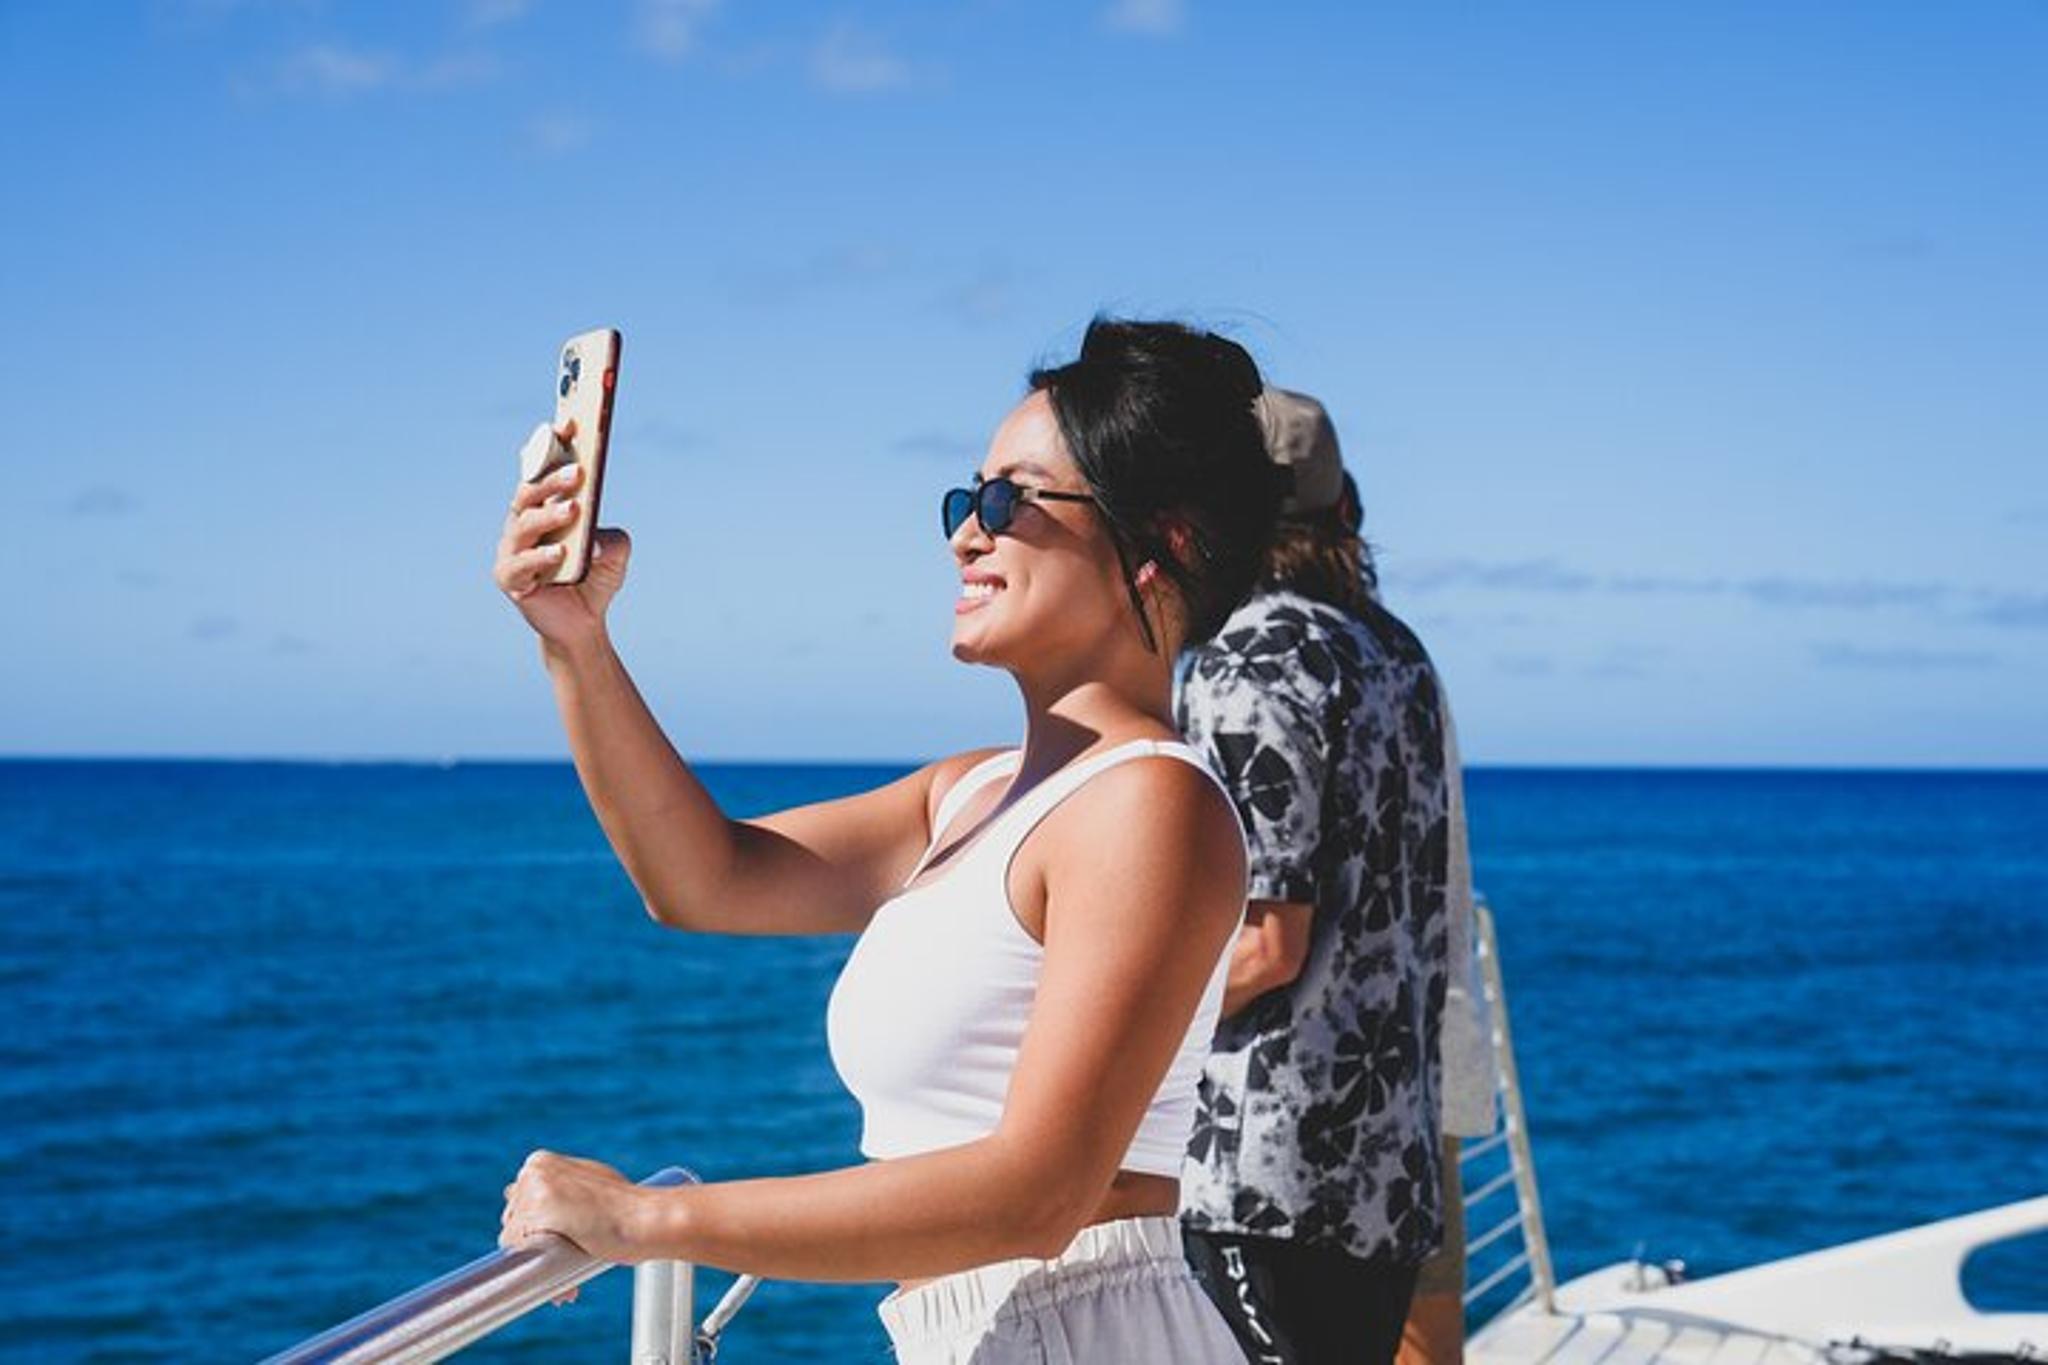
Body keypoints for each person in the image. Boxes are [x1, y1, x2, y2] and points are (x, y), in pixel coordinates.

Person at [492, 318, 1284, 1363]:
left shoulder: (1147, 805)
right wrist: (574, 639)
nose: (965, 531)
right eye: (966, 498)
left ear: (1160, 544)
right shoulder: (970, 794)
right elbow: (701, 879)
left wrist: (647, 1221)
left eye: (1010, 502)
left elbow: (1037, 1194)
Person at [1175, 388, 1459, 1365]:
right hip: (1384, 1174)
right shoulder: (1396, 652)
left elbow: (1266, 940)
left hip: (1266, 1169)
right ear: (1344, 508)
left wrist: (1116, 1033)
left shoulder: (1249, 657)